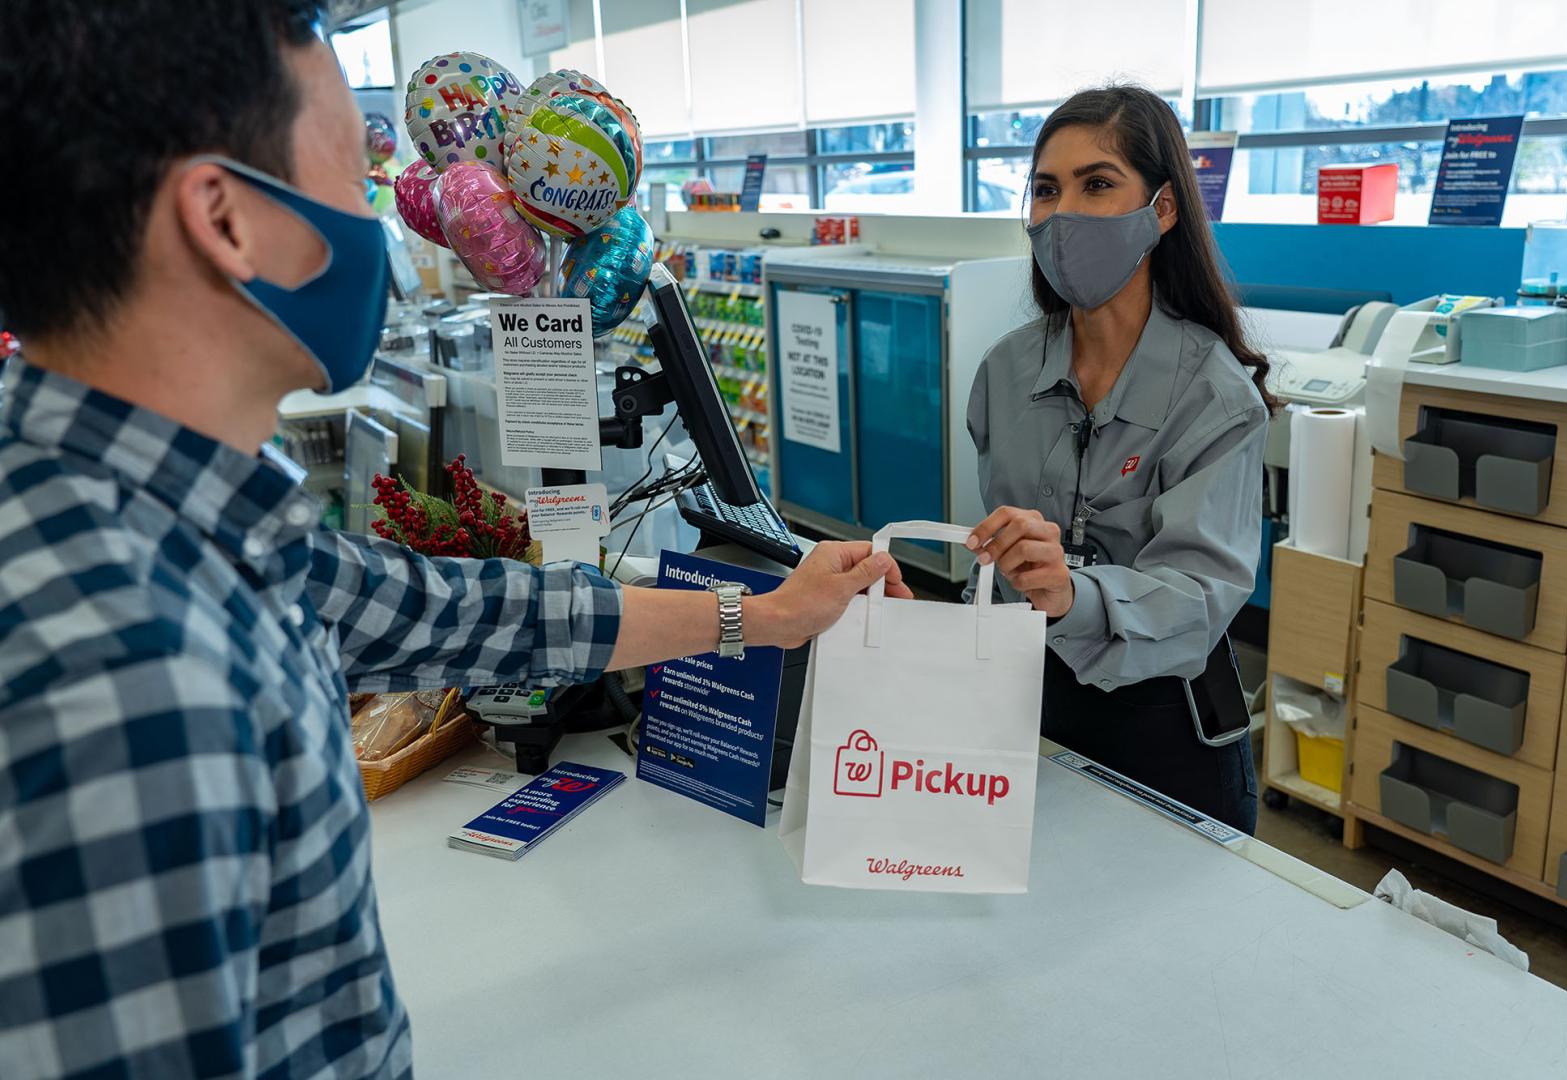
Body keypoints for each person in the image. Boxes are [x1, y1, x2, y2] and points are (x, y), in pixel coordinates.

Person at [0, 3, 909, 1077]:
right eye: (352, 183)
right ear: (225, 219)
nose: (382, 226)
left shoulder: (164, 518)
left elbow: (463, 614)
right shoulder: (122, 669)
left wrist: (762, 615)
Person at [964, 86, 1275, 835]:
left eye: (1097, 184)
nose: (1062, 212)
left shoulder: (1216, 396)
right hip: (1029, 704)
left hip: (1164, 734)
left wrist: (1074, 593)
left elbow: (1200, 598)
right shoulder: (1004, 374)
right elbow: (995, 564)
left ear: (1162, 210)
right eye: (1046, 188)